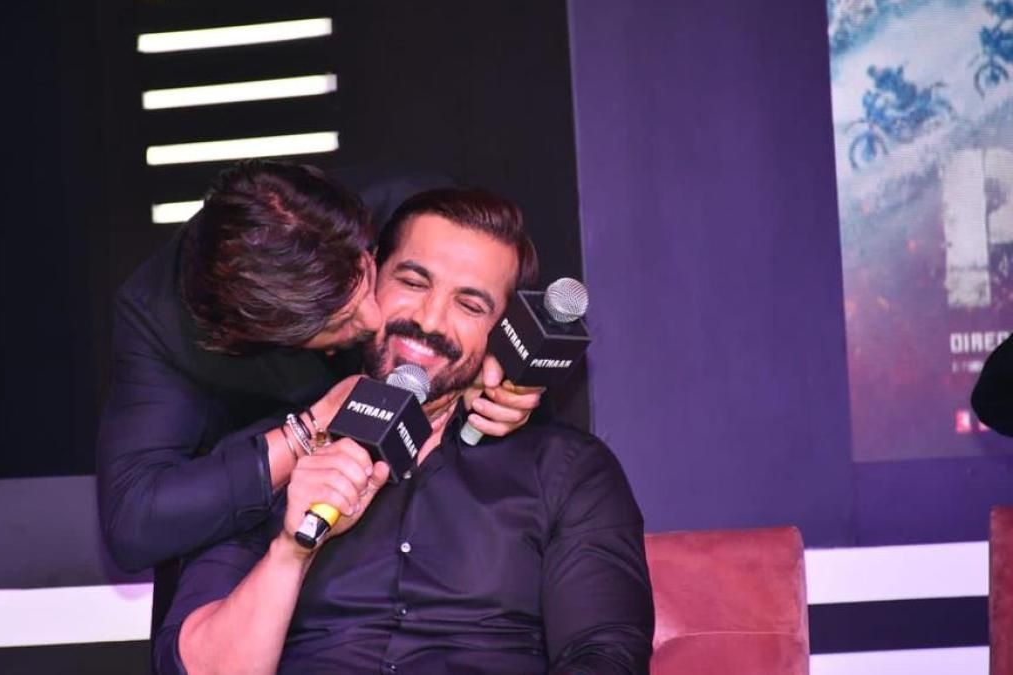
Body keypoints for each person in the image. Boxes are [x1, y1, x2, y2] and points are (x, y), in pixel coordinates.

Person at [156, 188, 654, 675]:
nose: (429, 321)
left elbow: (605, 654)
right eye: (414, 282)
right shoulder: (273, 459)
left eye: (470, 306)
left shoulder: (566, 470)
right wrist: (292, 549)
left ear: (502, 331)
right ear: (369, 278)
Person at [95, 161, 544, 634]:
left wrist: (496, 358)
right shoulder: (160, 325)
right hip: (260, 538)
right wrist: (310, 429)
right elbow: (134, 523)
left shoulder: (387, 208)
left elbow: (494, 276)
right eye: (340, 322)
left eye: (366, 274)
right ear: (266, 338)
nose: (372, 318)